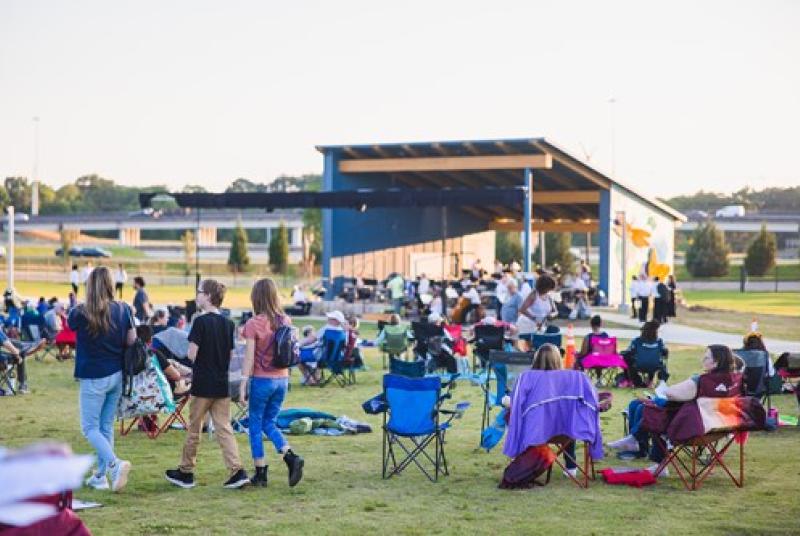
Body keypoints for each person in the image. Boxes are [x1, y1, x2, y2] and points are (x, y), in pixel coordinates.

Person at [165, 279, 249, 490]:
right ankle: (237, 470)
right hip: (222, 383)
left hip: (203, 383)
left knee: (194, 428)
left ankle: (186, 471)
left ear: (209, 296)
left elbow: (192, 354)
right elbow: (230, 355)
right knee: (224, 428)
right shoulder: (228, 324)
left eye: (200, 292)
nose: (197, 295)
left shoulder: (200, 322)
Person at [608, 345, 737, 475]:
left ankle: (650, 455)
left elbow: (671, 393)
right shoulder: (734, 381)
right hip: (719, 428)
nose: (702, 359)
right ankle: (635, 440)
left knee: (655, 414)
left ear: (716, 362)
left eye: (706, 357)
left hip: (691, 429)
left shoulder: (702, 380)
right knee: (648, 406)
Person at [68, 266, 134, 492]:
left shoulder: (80, 312)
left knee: (89, 428)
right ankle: (100, 476)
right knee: (105, 426)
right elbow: (132, 340)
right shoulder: (123, 309)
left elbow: (70, 324)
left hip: (93, 374)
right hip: (116, 373)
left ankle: (114, 465)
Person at [239, 278, 304, 488]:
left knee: (256, 424)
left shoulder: (253, 323)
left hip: (262, 380)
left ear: (255, 297)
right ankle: (290, 456)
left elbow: (248, 358)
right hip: (282, 379)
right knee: (270, 422)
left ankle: (261, 472)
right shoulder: (285, 320)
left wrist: (242, 384)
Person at [501, 343, 580, 477]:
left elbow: (516, 403)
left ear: (536, 359)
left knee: (512, 414)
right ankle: (571, 465)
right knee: (569, 419)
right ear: (557, 359)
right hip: (563, 432)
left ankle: (523, 460)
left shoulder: (527, 378)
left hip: (534, 431)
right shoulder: (569, 379)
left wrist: (506, 401)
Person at [621, 320, 669, 387]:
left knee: (627, 360)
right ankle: (650, 381)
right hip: (655, 366)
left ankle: (637, 382)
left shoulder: (637, 341)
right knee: (652, 359)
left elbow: (629, 352)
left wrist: (621, 353)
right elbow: (665, 353)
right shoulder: (659, 342)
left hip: (639, 365)